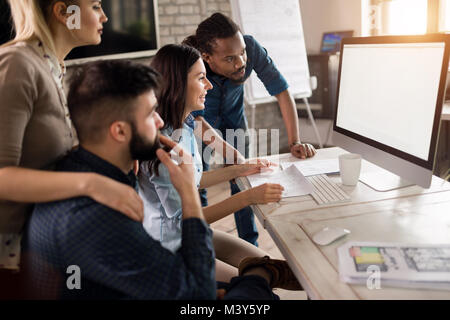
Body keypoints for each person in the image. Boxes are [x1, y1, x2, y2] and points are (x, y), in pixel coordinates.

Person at [23, 59, 301, 299]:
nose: (159, 122)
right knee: (257, 290)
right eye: (149, 114)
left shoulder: (81, 168)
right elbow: (198, 293)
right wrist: (190, 196)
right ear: (119, 131)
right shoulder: (98, 218)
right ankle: (263, 272)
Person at [0, 0, 144, 299]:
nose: (104, 16)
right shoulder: (16, 64)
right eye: (95, 6)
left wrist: (129, 147)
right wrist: (93, 184)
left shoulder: (51, 66)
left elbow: (49, 157)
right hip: (14, 263)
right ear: (64, 12)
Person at [138, 44, 284, 282]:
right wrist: (248, 197)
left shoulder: (183, 126)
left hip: (190, 234)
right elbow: (183, 222)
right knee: (257, 283)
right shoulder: (164, 145)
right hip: (169, 247)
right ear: (178, 84)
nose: (210, 85)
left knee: (271, 267)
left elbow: (194, 180)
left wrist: (241, 168)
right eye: (201, 78)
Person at [183, 13, 317, 246]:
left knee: (242, 180)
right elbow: (195, 121)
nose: (241, 63)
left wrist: (294, 142)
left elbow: (282, 93)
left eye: (242, 52)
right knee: (198, 183)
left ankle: (249, 245)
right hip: (201, 124)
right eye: (230, 59)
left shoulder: (250, 48)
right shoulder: (192, 64)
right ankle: (202, 243)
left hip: (235, 118)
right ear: (208, 58)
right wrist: (234, 157)